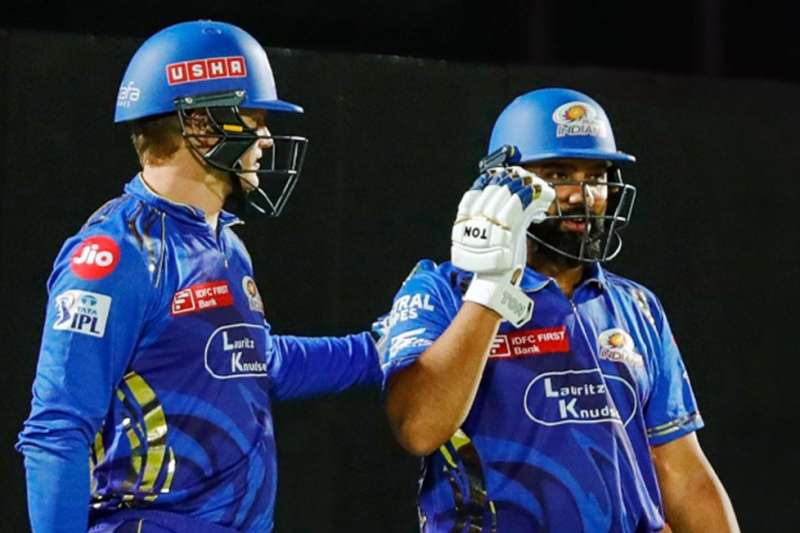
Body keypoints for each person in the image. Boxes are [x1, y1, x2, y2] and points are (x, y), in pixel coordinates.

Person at [16, 20, 381, 533]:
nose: (266, 139)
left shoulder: (224, 243)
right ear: (203, 127)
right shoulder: (115, 256)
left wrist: (377, 350)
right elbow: (57, 430)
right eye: (255, 119)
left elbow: (255, 362)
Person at [378, 88, 740, 532]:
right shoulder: (443, 290)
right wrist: (491, 290)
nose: (581, 195)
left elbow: (681, 472)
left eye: (597, 176)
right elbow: (417, 427)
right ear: (500, 183)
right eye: (558, 174)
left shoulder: (636, 305)